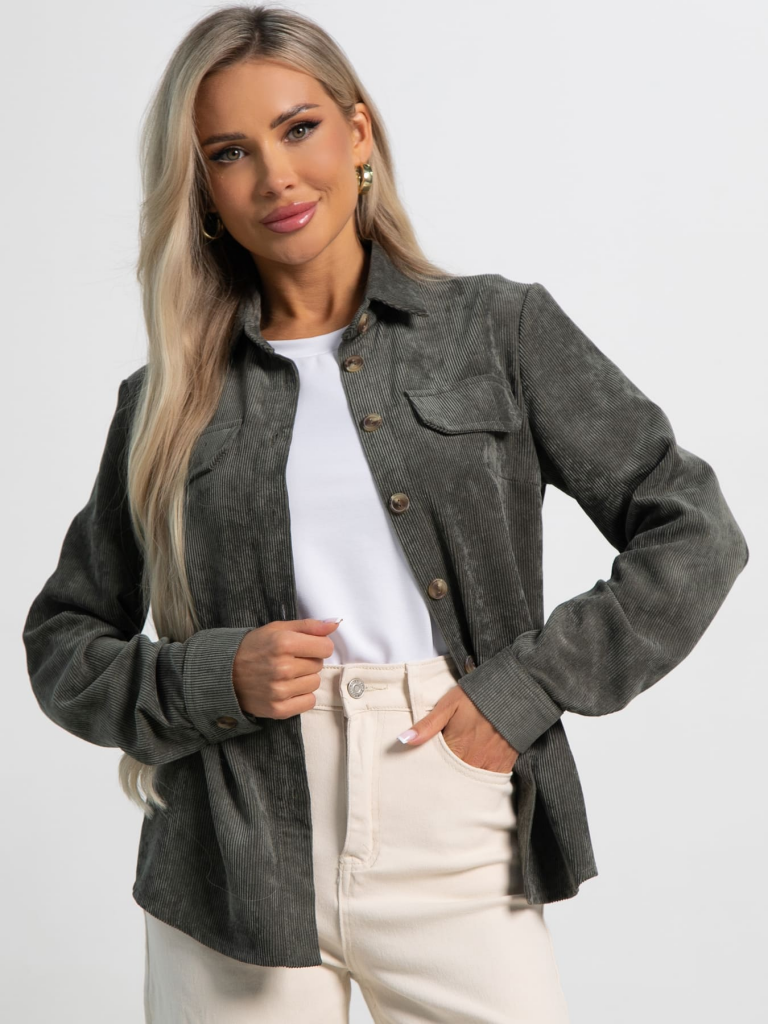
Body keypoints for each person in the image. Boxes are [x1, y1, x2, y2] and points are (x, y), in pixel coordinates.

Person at [22, 5, 749, 1023]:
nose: (276, 176)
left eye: (299, 129)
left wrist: (526, 689)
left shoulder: (498, 329)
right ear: (204, 193)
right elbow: (64, 639)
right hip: (231, 847)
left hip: (448, 807)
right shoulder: (165, 400)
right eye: (230, 153)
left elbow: (694, 527)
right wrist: (209, 676)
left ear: (358, 133)